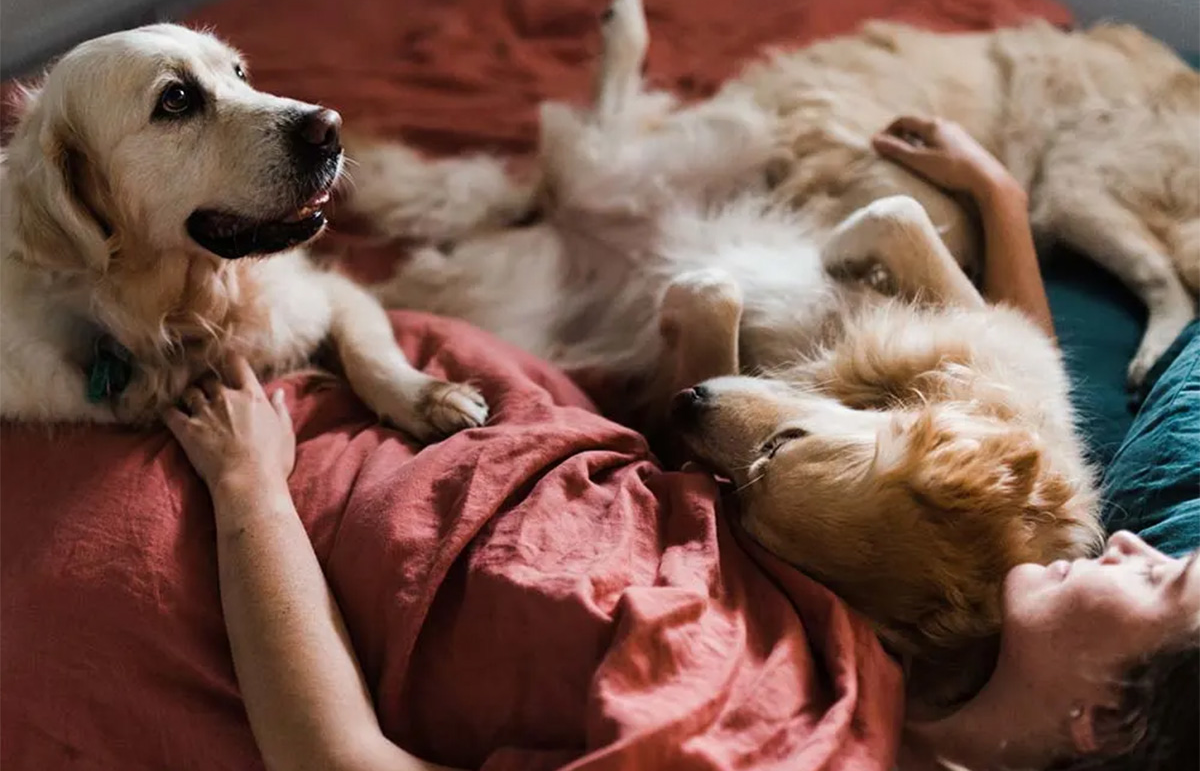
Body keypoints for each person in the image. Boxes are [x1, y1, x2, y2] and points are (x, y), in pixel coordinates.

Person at [166, 117, 1198, 771]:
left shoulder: (789, 738)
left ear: (1102, 719)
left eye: (1161, 585)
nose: (1143, 547)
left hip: (348, 495)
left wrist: (247, 487)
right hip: (518, 406)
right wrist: (998, 201)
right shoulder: (1028, 575)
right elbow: (1025, 378)